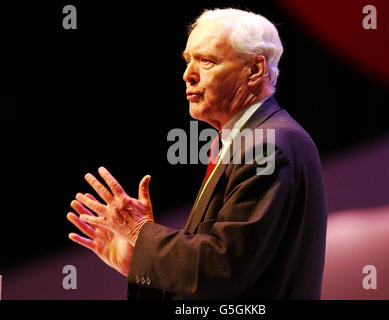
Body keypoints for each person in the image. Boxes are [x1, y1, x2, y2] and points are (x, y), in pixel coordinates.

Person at [66, 8, 328, 300]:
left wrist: (141, 233)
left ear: (254, 70)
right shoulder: (241, 141)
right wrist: (139, 259)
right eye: (188, 60)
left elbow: (225, 266)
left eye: (206, 61)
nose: (187, 75)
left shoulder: (269, 145)